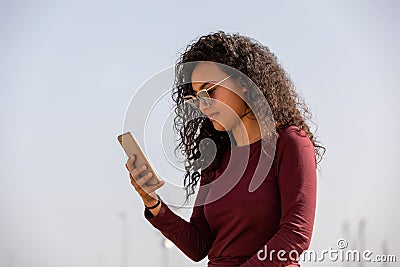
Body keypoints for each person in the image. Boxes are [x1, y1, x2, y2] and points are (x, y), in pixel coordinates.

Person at [125, 31, 325, 267]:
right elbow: (199, 245)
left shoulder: (291, 142)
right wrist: (153, 204)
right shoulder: (216, 157)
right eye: (196, 97)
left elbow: (295, 236)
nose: (203, 105)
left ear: (243, 82)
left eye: (209, 91)